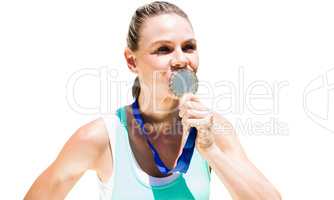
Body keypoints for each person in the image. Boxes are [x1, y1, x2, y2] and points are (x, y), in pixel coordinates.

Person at [24, 1, 281, 199]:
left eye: (188, 47)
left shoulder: (213, 129)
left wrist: (211, 151)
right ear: (131, 61)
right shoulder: (102, 138)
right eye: (163, 49)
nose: (181, 60)